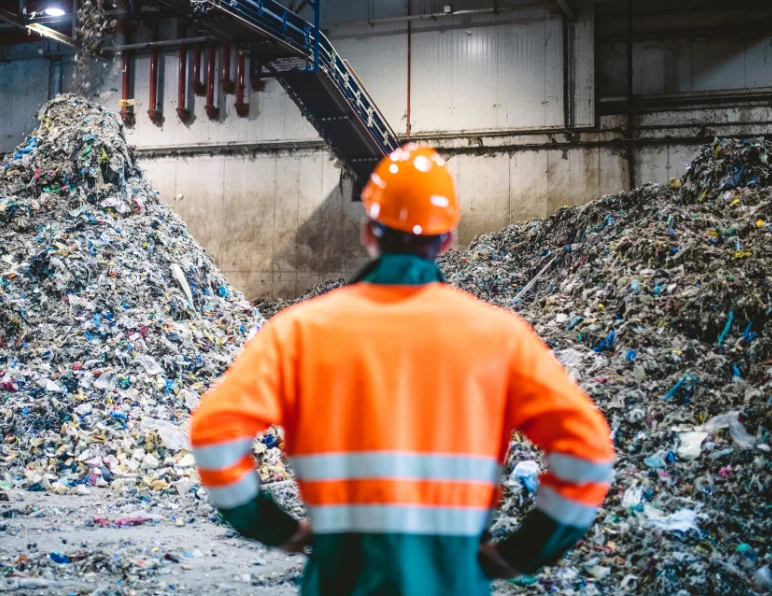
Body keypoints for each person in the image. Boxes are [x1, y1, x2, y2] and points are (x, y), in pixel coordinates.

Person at [189, 144, 614, 595]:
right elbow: (587, 452)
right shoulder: (499, 336)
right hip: (454, 579)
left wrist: (273, 526)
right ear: (447, 239)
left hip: (339, 578)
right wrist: (522, 552)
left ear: (368, 230)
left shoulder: (299, 331)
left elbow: (214, 432)